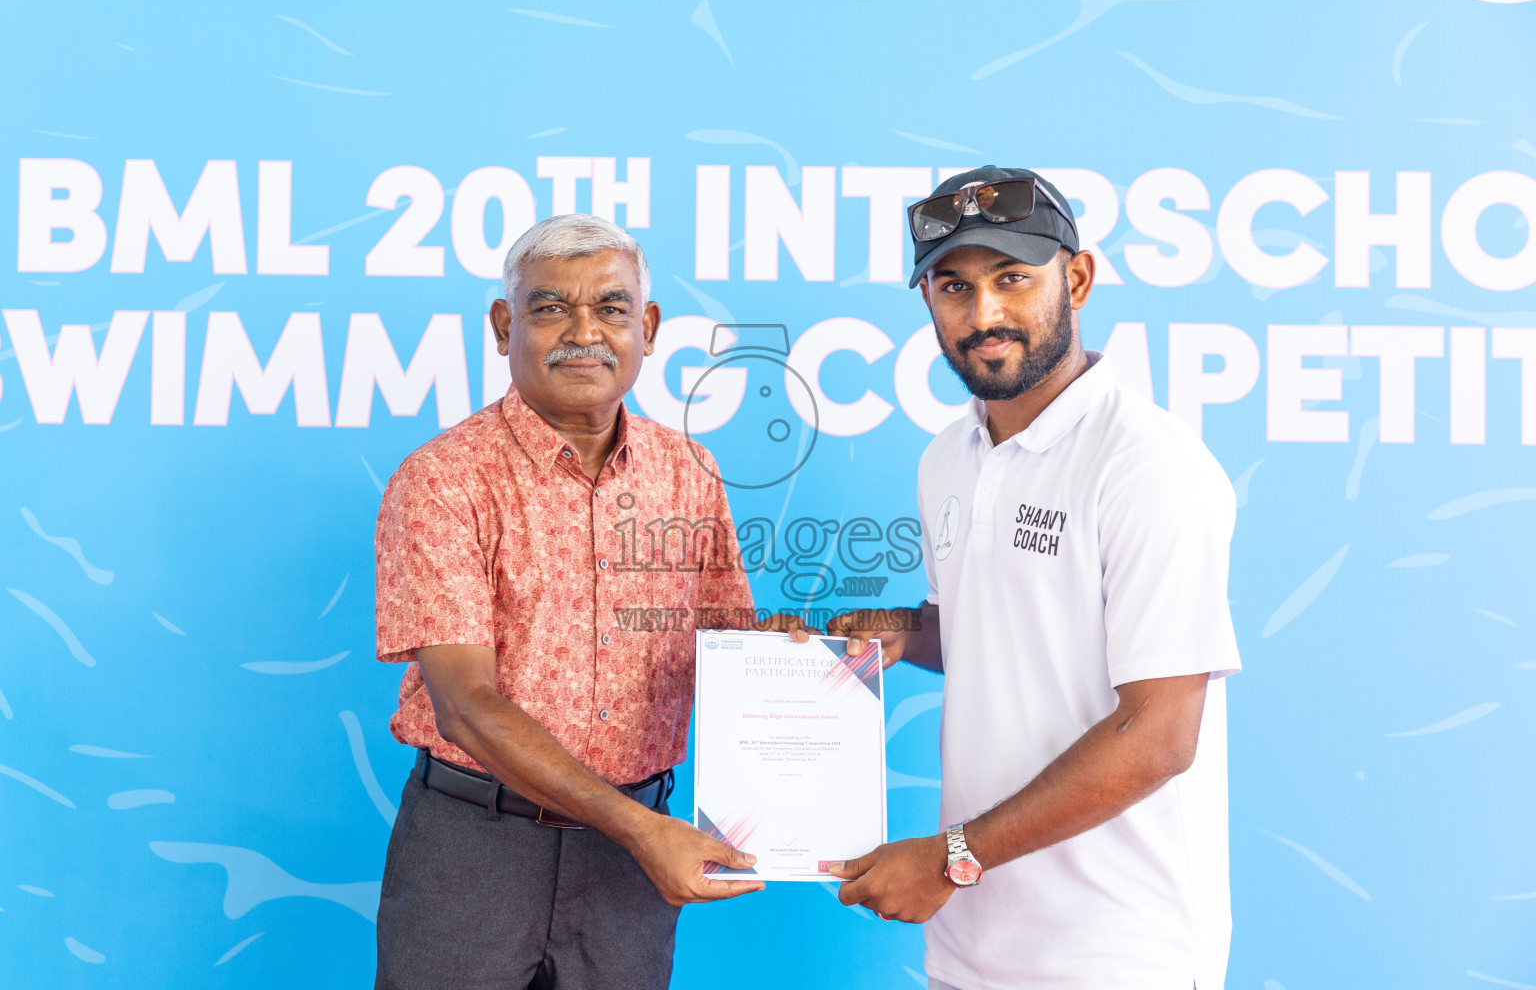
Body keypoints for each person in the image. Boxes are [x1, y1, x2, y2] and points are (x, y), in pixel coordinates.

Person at [822, 166, 1243, 989]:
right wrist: (892, 636)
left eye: (1013, 278)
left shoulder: (1148, 467)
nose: (984, 315)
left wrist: (949, 860)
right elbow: (993, 633)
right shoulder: (948, 456)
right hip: (973, 947)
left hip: (1117, 953)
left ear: (1076, 278)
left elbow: (1160, 735)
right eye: (954, 287)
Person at [372, 214, 769, 990]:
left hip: (629, 866)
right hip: (474, 847)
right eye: (550, 307)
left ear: (647, 328)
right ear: (502, 325)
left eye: (611, 309)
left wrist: (787, 666)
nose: (583, 332)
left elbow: (728, 657)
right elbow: (466, 706)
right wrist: (641, 832)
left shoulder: (690, 471)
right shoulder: (443, 481)